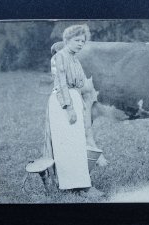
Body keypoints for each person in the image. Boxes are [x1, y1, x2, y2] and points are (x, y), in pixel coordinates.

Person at [43, 24, 104, 197]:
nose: (80, 44)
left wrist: (81, 103)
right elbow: (61, 83)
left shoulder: (74, 59)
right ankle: (78, 186)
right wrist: (69, 108)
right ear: (67, 40)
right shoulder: (60, 57)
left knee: (76, 143)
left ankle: (77, 183)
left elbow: (82, 84)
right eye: (77, 40)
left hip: (74, 98)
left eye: (83, 41)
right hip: (63, 103)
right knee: (69, 144)